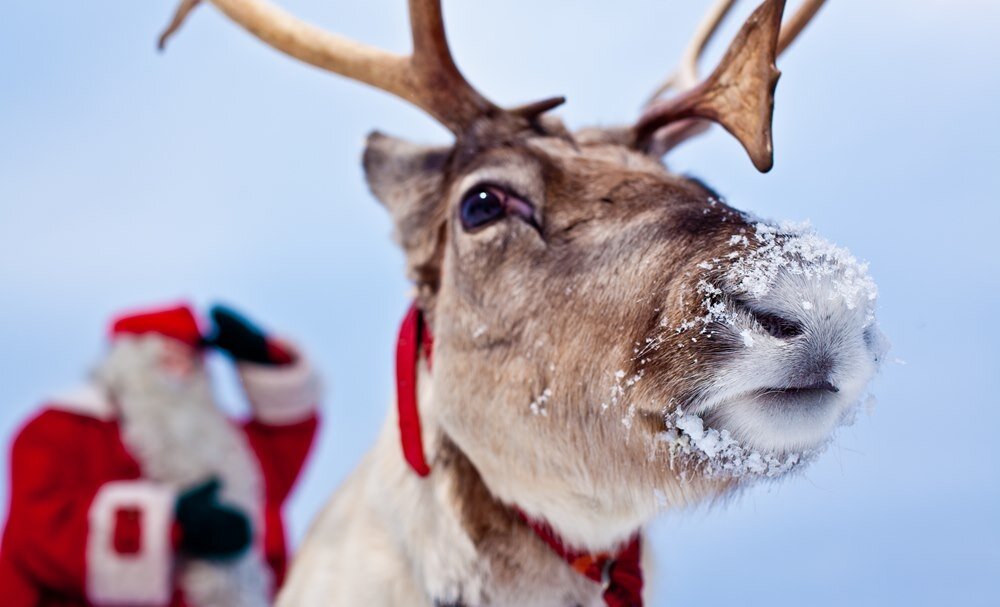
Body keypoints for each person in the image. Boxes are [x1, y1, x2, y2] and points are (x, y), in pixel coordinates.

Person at [0, 302, 321, 606]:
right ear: (128, 364)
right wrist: (173, 521)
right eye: (167, 360)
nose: (181, 373)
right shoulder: (62, 429)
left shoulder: (223, 445)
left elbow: (280, 453)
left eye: (191, 362)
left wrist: (266, 361)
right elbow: (38, 536)